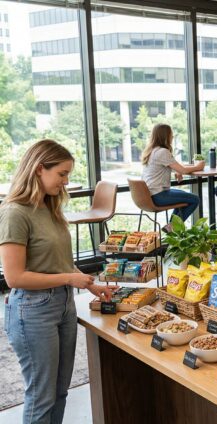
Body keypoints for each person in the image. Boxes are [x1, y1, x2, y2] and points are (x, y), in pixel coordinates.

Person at [0, 139, 113, 424]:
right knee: (41, 397)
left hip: (63, 304)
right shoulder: (15, 213)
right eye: (62, 174)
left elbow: (58, 260)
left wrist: (89, 284)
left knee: (60, 392)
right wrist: (70, 278)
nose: (65, 182)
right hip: (32, 311)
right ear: (39, 169)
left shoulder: (49, 207)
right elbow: (15, 277)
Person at [140, 123, 203, 230]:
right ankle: (172, 227)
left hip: (149, 194)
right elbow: (182, 169)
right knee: (195, 199)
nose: (172, 137)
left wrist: (176, 170)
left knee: (185, 197)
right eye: (171, 134)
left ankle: (171, 228)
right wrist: (198, 166)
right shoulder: (162, 152)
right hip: (158, 196)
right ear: (165, 136)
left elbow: (174, 166)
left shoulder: (152, 150)